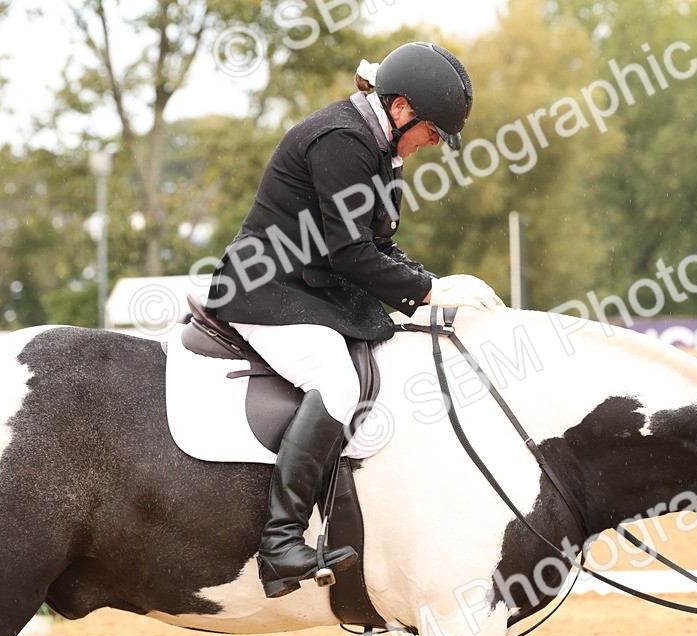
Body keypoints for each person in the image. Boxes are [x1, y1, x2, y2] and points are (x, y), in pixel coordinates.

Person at [207, 42, 504, 599]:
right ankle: (280, 541)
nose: (432, 145)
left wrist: (435, 283)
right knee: (337, 383)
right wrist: (429, 291)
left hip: (310, 288)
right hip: (265, 290)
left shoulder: (379, 149)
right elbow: (349, 253)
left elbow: (379, 245)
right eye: (433, 133)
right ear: (401, 109)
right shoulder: (343, 141)